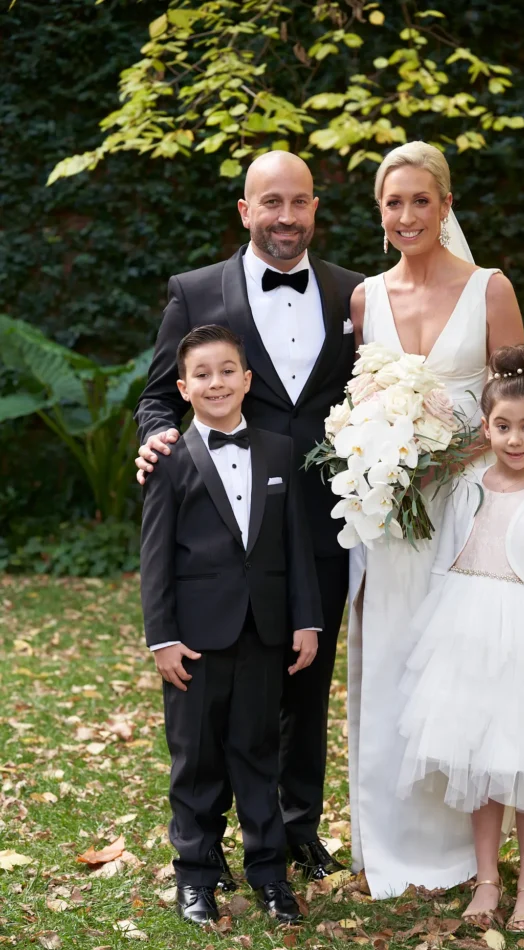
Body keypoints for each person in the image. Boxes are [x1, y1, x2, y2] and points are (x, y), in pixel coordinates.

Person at [135, 151, 363, 881]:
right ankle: (208, 844)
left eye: (298, 202)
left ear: (316, 208)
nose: (285, 217)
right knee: (219, 691)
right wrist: (152, 439)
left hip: (326, 526)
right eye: (270, 203)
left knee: (307, 678)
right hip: (224, 535)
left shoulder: (355, 295)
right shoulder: (196, 291)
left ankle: (295, 829)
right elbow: (157, 397)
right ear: (245, 210)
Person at [347, 141, 524, 899]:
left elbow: (522, 405)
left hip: (464, 506)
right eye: (395, 203)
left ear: (446, 206)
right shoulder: (365, 298)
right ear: (380, 213)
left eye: (422, 200)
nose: (408, 214)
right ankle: (386, 842)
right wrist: (373, 446)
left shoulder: (490, 289)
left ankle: (464, 847)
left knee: (460, 666)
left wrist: (451, 456)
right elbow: (357, 403)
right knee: (390, 660)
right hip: (392, 516)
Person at [140, 324, 324, 925]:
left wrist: (307, 620)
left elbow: (295, 543)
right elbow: (156, 557)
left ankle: (270, 877)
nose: (215, 382)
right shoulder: (168, 461)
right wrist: (163, 638)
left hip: (265, 633)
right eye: (202, 374)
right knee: (195, 761)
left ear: (247, 380)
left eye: (226, 371)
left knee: (258, 753)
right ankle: (195, 877)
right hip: (194, 640)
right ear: (183, 387)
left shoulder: (276, 450)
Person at [398, 346, 524, 933]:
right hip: (463, 632)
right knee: (478, 759)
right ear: (486, 427)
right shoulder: (468, 486)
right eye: (503, 426)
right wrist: (436, 637)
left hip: (522, 637)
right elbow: (446, 563)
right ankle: (486, 881)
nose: (515, 439)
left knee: (522, 761)